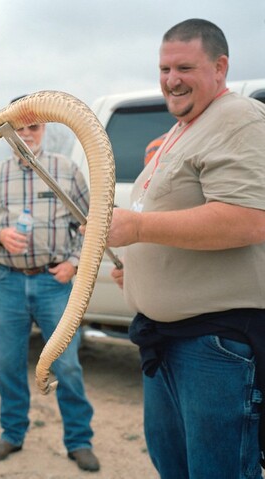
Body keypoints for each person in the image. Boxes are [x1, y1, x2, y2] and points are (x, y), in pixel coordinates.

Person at [106, 19, 265, 478]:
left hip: (213, 349)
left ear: (220, 67)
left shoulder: (237, 118)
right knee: (174, 468)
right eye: (163, 68)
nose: (170, 80)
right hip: (167, 342)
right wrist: (137, 267)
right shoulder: (181, 129)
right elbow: (178, 219)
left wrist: (137, 227)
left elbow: (249, 219)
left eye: (184, 67)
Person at [0, 99, 100, 473]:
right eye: (20, 128)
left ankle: (79, 441)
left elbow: (91, 225)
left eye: (34, 127)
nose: (26, 135)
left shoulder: (67, 171)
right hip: (9, 282)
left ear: (44, 128)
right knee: (7, 364)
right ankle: (12, 434)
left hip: (54, 284)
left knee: (68, 365)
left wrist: (74, 263)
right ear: (7, 130)